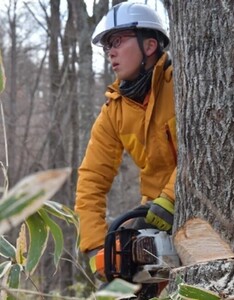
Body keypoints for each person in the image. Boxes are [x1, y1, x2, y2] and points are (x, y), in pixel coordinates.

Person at [75, 2, 177, 289]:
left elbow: (206, 150)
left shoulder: (182, 84)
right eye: (108, 45)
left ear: (149, 45)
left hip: (191, 202)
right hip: (153, 215)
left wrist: (170, 197)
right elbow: (92, 179)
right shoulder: (114, 110)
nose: (111, 51)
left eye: (117, 41)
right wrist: (98, 248)